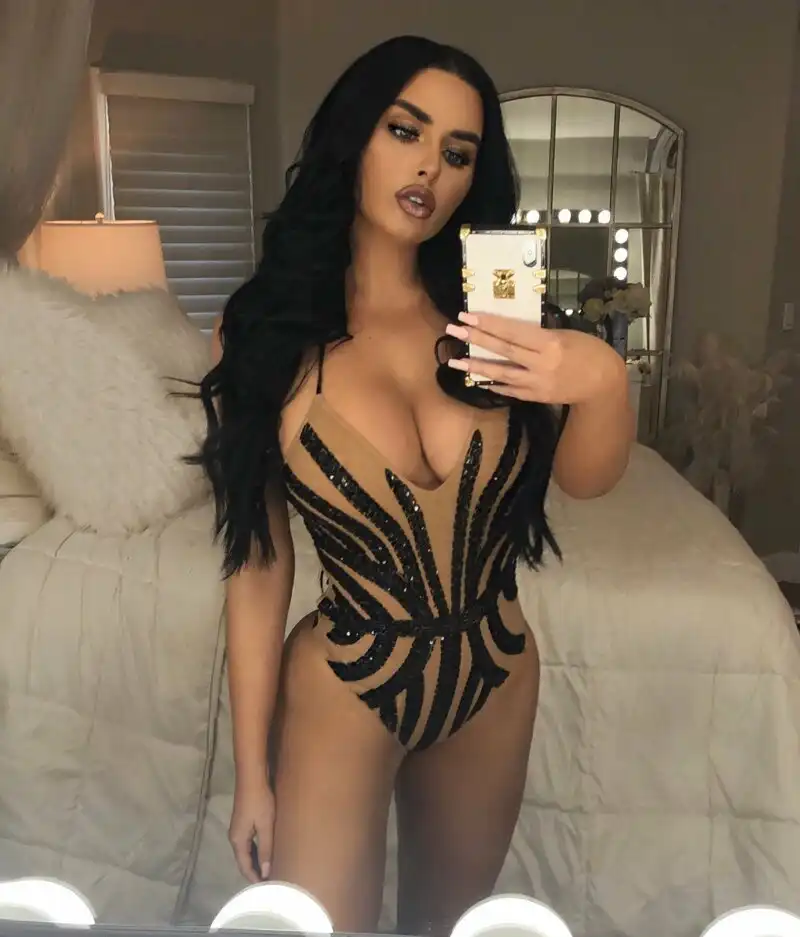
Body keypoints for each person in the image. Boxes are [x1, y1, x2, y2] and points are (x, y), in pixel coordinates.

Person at [196, 35, 633, 936]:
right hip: (346, 684)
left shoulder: (493, 316)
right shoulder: (267, 332)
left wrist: (601, 380)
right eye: (406, 131)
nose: (430, 166)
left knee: (450, 928)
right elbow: (259, 563)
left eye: (459, 152)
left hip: (494, 673)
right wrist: (251, 774)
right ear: (354, 135)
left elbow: (589, 483)